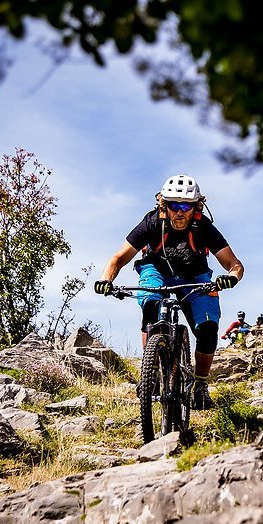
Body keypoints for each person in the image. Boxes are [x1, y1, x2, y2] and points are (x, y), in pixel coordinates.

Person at [94, 174, 243, 410]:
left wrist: (230, 278)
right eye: (174, 205)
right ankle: (150, 372)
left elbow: (234, 265)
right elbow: (118, 258)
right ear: (165, 205)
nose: (180, 212)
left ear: (196, 207)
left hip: (195, 277)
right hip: (156, 271)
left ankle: (201, 386)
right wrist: (106, 279)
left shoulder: (203, 227)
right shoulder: (152, 222)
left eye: (186, 206)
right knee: (151, 306)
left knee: (208, 328)